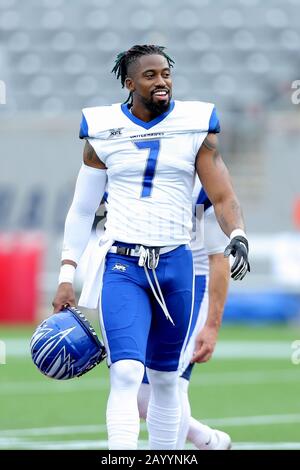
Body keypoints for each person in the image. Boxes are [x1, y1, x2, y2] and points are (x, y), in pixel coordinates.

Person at [52, 44, 250, 450]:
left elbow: (223, 196)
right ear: (129, 83)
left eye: (166, 74)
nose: (162, 81)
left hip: (176, 264)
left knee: (164, 380)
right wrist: (66, 274)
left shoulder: (195, 124)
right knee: (125, 374)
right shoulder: (103, 129)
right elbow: (82, 209)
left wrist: (238, 235)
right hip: (124, 266)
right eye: (150, 75)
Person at [137, 179, 231, 449]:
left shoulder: (199, 187)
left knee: (171, 384)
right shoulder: (130, 174)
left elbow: (218, 258)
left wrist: (212, 325)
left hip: (191, 285)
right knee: (142, 398)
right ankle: (208, 440)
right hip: (146, 285)